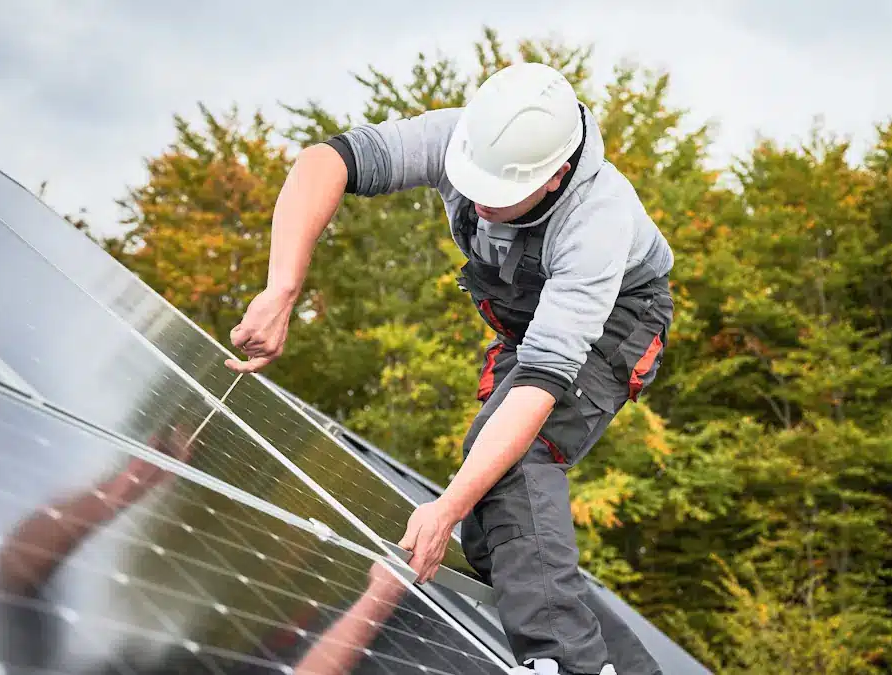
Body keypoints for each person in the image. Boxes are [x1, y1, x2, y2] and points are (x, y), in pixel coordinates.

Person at [226, 61, 672, 675]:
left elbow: (540, 387)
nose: (480, 203)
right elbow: (324, 162)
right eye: (474, 184)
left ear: (554, 177)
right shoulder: (462, 138)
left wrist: (446, 510)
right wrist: (282, 288)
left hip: (621, 320)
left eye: (500, 194)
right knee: (506, 542)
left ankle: (567, 663)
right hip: (528, 324)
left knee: (514, 464)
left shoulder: (595, 221)